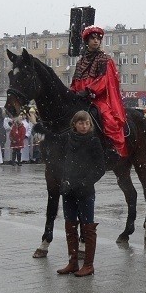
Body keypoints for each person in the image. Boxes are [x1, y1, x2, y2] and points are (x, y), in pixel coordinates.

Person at [56, 111, 106, 277]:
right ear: (74, 124)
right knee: (70, 226)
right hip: (68, 190)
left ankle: (88, 265)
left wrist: (85, 181)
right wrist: (64, 180)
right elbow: (60, 161)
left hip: (85, 191)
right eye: (81, 123)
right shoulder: (66, 140)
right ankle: (72, 262)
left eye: (86, 123)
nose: (84, 126)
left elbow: (100, 168)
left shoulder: (94, 142)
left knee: (88, 227)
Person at [70, 25, 128, 160]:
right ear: (87, 41)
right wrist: (72, 92)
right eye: (92, 38)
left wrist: (89, 91)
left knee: (108, 119)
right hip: (80, 98)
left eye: (98, 39)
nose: (96, 41)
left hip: (98, 98)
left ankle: (111, 147)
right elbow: (75, 82)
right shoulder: (80, 62)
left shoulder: (104, 59)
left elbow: (104, 80)